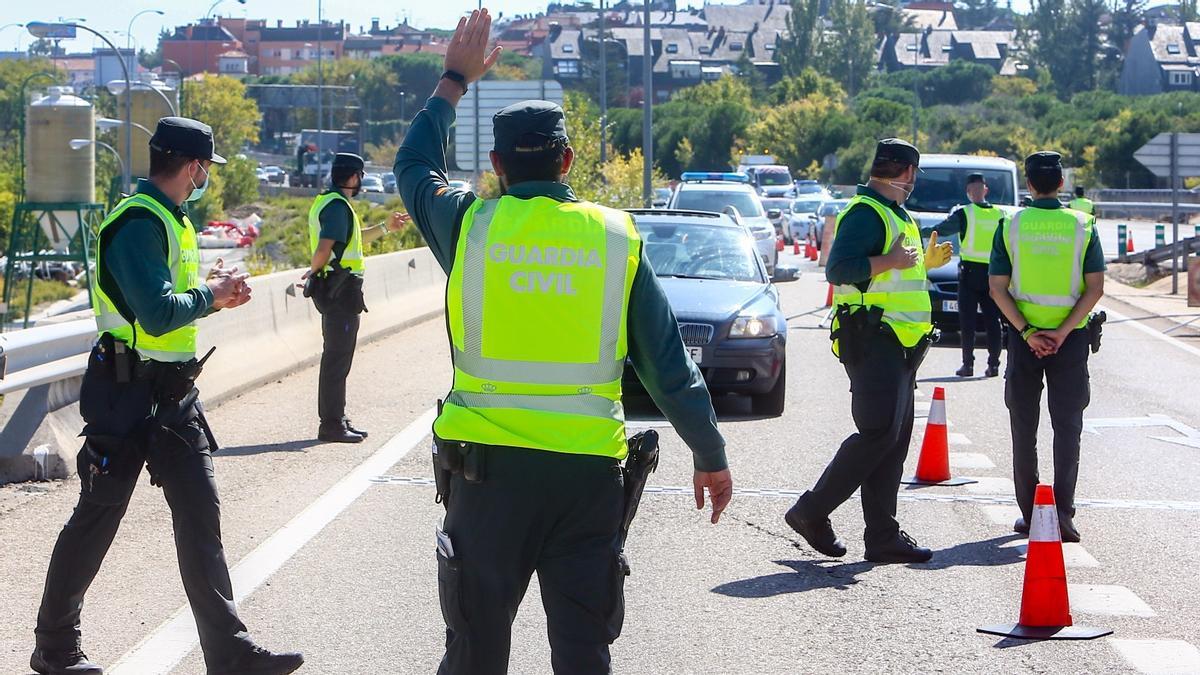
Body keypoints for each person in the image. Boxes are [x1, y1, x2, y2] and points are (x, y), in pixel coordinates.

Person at [395, 9, 733, 673]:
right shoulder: (614, 237)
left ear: (494, 166)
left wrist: (453, 81)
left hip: (487, 474)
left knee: (474, 651)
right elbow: (667, 365)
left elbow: (412, 164)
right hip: (586, 477)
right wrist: (709, 450)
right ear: (569, 158)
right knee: (583, 652)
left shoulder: (469, 226)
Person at [31, 117, 303, 675]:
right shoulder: (138, 222)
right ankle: (54, 649)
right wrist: (214, 294)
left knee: (201, 517)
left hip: (173, 393)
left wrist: (215, 292)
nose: (207, 177)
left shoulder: (174, 220)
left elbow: (171, 299)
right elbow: (156, 314)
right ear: (192, 166)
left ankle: (228, 652)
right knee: (98, 516)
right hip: (125, 393)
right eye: (207, 168)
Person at [784, 139, 952, 564]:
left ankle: (882, 535)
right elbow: (840, 269)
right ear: (909, 174)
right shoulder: (866, 212)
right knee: (878, 433)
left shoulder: (895, 213)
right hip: (875, 337)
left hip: (902, 343)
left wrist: (920, 264)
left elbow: (893, 269)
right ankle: (811, 511)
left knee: (892, 441)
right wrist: (892, 261)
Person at [989, 151, 1105, 544]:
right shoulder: (1082, 224)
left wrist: (1026, 332)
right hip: (1070, 341)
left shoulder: (1010, 224)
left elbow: (997, 289)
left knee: (1024, 428)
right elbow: (1095, 289)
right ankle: (1064, 516)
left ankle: (1030, 515)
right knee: (1067, 427)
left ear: (1029, 184)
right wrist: (1063, 331)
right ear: (1061, 184)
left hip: (1025, 343)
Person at [302, 152, 409, 443]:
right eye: (360, 175)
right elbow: (326, 247)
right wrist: (312, 270)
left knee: (338, 357)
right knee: (337, 358)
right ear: (353, 177)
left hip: (339, 289)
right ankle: (332, 424)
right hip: (341, 291)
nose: (361, 181)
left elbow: (353, 238)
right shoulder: (338, 207)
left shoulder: (331, 203)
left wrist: (387, 227)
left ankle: (337, 418)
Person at [921, 172, 1005, 377]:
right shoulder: (1001, 214)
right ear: (985, 190)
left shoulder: (964, 213)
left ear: (969, 192)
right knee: (993, 321)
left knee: (967, 323)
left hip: (970, 275)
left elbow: (940, 230)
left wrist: (918, 231)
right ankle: (993, 365)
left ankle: (968, 365)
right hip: (993, 274)